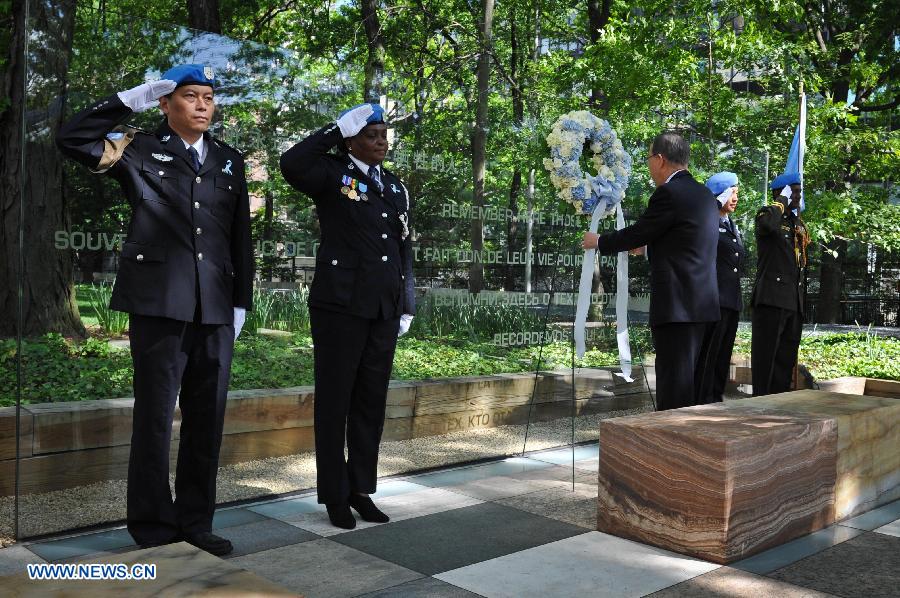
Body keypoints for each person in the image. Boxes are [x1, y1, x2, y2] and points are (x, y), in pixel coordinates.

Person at [56, 65, 253, 556]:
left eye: (208, 97)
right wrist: (132, 98)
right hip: (160, 302)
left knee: (207, 418)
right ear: (166, 104)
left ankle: (196, 521)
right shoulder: (137, 149)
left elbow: (239, 238)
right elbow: (72, 139)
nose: (203, 105)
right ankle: (152, 525)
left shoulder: (229, 160)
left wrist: (241, 302)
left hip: (215, 305)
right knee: (155, 418)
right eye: (190, 96)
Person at [280, 103, 415, 529]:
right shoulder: (331, 173)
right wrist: (336, 129)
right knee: (335, 402)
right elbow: (292, 163)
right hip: (340, 306)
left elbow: (404, 249)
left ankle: (360, 489)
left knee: (370, 403)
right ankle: (335, 495)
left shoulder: (395, 186)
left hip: (383, 307)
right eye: (371, 135)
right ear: (351, 140)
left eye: (384, 135)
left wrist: (407, 302)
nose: (381, 142)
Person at [582, 131, 719, 411]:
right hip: (703, 306)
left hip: (677, 308)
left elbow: (640, 231)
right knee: (693, 390)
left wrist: (600, 241)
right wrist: (647, 250)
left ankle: (671, 437)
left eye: (648, 158)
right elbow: (687, 243)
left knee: (674, 389)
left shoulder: (669, 193)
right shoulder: (704, 194)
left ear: (660, 159)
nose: (648, 165)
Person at [751, 172, 809, 396]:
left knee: (784, 363)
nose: (798, 195)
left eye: (799, 191)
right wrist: (781, 201)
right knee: (766, 360)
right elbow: (767, 226)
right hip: (771, 299)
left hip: (793, 301)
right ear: (780, 192)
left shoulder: (796, 223)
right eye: (793, 191)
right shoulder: (768, 215)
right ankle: (761, 404)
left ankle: (778, 404)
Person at [697, 172, 747, 403]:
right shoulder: (708, 222)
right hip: (714, 300)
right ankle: (703, 399)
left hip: (731, 301)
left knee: (723, 355)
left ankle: (716, 397)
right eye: (732, 193)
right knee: (709, 354)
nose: (735, 198)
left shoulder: (730, 225)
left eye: (737, 193)